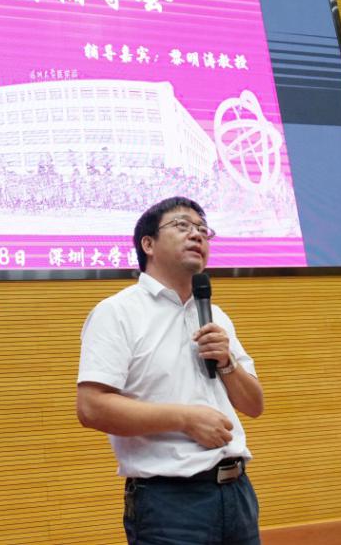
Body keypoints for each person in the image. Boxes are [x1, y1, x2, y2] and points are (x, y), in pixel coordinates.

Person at [77, 196, 264, 545]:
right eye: (182, 225)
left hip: (237, 492)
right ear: (148, 244)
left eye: (203, 229)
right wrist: (185, 419)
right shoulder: (117, 312)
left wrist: (227, 363)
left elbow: (254, 405)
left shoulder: (216, 315)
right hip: (169, 503)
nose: (197, 235)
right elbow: (91, 407)